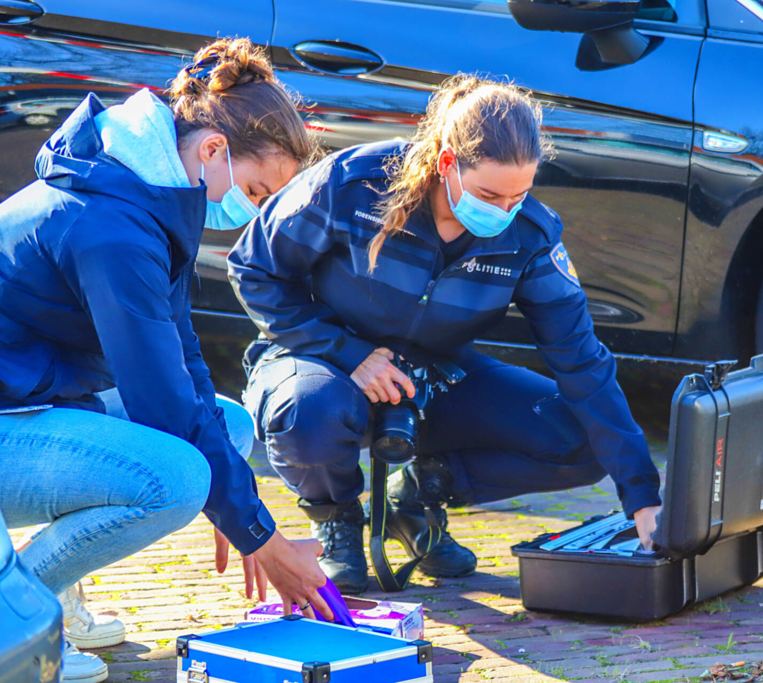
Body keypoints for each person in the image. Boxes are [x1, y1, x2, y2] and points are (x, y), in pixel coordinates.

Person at [0, 38, 333, 683]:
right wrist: (263, 537)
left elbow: (183, 358)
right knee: (176, 477)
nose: (251, 210)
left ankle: (50, 589)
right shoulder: (112, 224)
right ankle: (3, 618)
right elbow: (162, 405)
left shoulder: (148, 186)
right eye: (255, 190)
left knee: (226, 427)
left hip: (28, 398)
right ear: (214, 149)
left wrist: (243, 505)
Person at [228, 75, 664, 595]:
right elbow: (253, 269)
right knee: (308, 413)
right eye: (488, 195)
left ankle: (413, 494)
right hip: (317, 361)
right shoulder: (353, 183)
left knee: (581, 441)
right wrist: (349, 353)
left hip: (430, 375)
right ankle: (339, 518)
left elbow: (583, 364)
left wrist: (642, 495)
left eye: (518, 196)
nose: (503, 213)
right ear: (447, 164)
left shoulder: (532, 236)